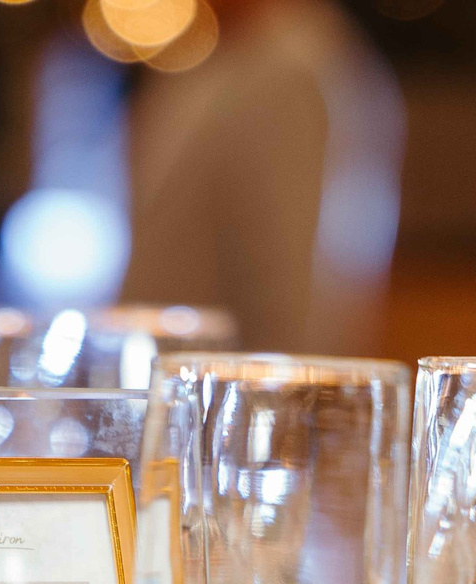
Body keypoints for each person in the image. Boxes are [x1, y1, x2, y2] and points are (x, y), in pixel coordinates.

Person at [116, 0, 403, 355]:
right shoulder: (221, 53)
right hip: (176, 383)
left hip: (219, 394)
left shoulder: (291, 74)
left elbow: (289, 296)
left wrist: (271, 406)